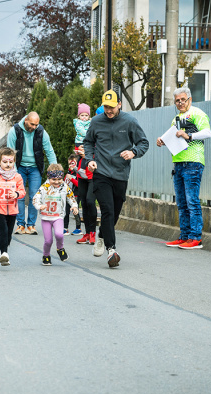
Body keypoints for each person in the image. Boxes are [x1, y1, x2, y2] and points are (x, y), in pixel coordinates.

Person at [84, 90, 149, 268]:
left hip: (120, 174)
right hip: (101, 172)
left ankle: (102, 236)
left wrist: (133, 152)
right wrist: (90, 160)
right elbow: (88, 142)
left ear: (119, 104)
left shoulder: (129, 121)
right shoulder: (96, 121)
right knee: (107, 210)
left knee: (115, 212)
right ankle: (111, 250)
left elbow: (144, 142)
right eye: (106, 107)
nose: (109, 110)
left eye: (112, 107)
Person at [157, 86, 211, 250]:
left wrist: (189, 135)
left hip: (193, 162)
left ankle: (195, 237)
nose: (180, 103)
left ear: (190, 99)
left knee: (192, 201)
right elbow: (175, 139)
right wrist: (163, 141)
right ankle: (185, 236)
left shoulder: (197, 113)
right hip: (179, 163)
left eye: (183, 99)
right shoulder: (176, 119)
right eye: (177, 101)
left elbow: (208, 132)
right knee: (181, 203)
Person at [7, 111, 57, 235]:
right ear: (26, 121)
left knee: (35, 196)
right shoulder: (15, 131)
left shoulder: (41, 132)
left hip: (35, 168)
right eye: (32, 124)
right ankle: (20, 224)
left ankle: (31, 225)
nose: (34, 127)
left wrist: (55, 170)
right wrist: (13, 172)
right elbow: (10, 153)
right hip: (19, 167)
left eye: (36, 125)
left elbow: (49, 151)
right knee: (20, 196)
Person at [32, 163, 78, 266]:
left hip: (58, 216)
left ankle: (60, 248)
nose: (57, 182)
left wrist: (74, 206)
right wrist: (39, 206)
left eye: (59, 179)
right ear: (49, 178)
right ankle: (46, 255)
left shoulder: (64, 187)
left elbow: (71, 197)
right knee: (48, 241)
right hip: (46, 217)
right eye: (54, 180)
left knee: (59, 234)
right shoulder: (44, 187)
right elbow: (35, 199)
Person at [75, 145, 97, 245]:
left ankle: (93, 232)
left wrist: (88, 155)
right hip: (81, 175)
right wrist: (78, 152)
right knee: (83, 203)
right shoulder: (81, 137)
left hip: (92, 176)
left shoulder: (96, 139)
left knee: (90, 202)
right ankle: (87, 233)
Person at [63, 153, 82, 235]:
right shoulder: (68, 172)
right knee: (66, 211)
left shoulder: (78, 172)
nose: (71, 165)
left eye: (73, 163)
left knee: (75, 211)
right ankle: (65, 228)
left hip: (76, 195)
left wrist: (71, 179)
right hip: (67, 195)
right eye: (69, 163)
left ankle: (78, 228)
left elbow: (79, 184)